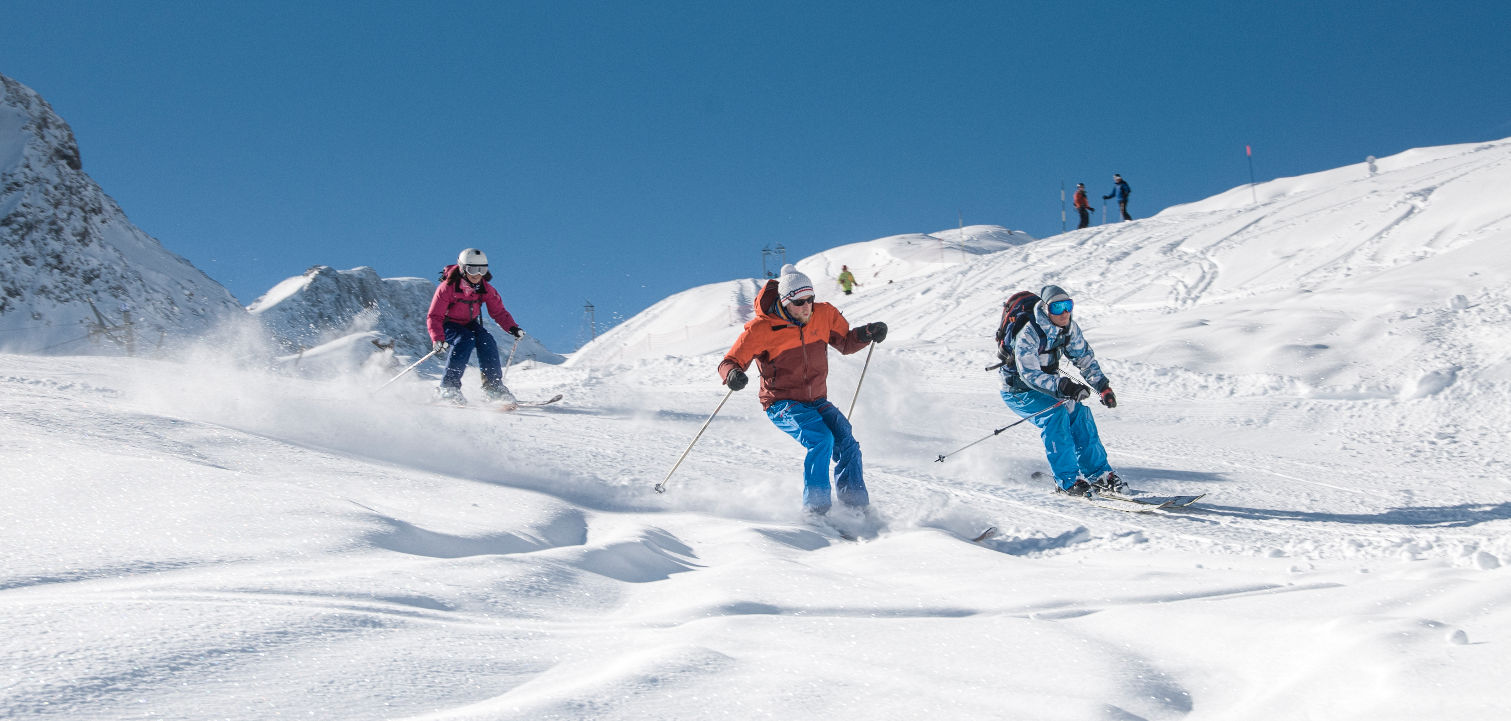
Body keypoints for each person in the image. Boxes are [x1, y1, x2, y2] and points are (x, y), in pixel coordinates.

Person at [718, 264, 888, 515]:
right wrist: (733, 374)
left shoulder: (824, 314)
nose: (807, 306)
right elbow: (729, 362)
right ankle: (817, 511)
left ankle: (856, 508)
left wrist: (867, 333)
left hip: (817, 399)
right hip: (781, 403)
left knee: (847, 441)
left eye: (810, 299)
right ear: (785, 302)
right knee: (821, 439)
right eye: (799, 302)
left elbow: (846, 343)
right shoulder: (762, 328)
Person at [998, 284, 1124, 496]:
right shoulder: (1029, 332)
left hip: (1049, 387)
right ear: (1046, 309)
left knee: (1079, 414)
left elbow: (1084, 359)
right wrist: (1064, 386)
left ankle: (1098, 474)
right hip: (1018, 391)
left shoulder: (1069, 329)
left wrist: (1102, 387)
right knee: (1056, 416)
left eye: (1068, 306)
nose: (1064, 313)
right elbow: (1029, 374)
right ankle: (1066, 480)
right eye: (1057, 308)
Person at [426, 248, 525, 406]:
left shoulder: (485, 289)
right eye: (472, 269)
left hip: (469, 323)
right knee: (465, 339)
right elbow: (434, 316)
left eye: (482, 269)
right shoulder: (447, 288)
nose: (477, 274)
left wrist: (512, 327)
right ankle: (448, 388)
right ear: (463, 269)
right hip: (448, 323)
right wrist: (437, 338)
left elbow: (498, 312)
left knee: (487, 340)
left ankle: (493, 388)